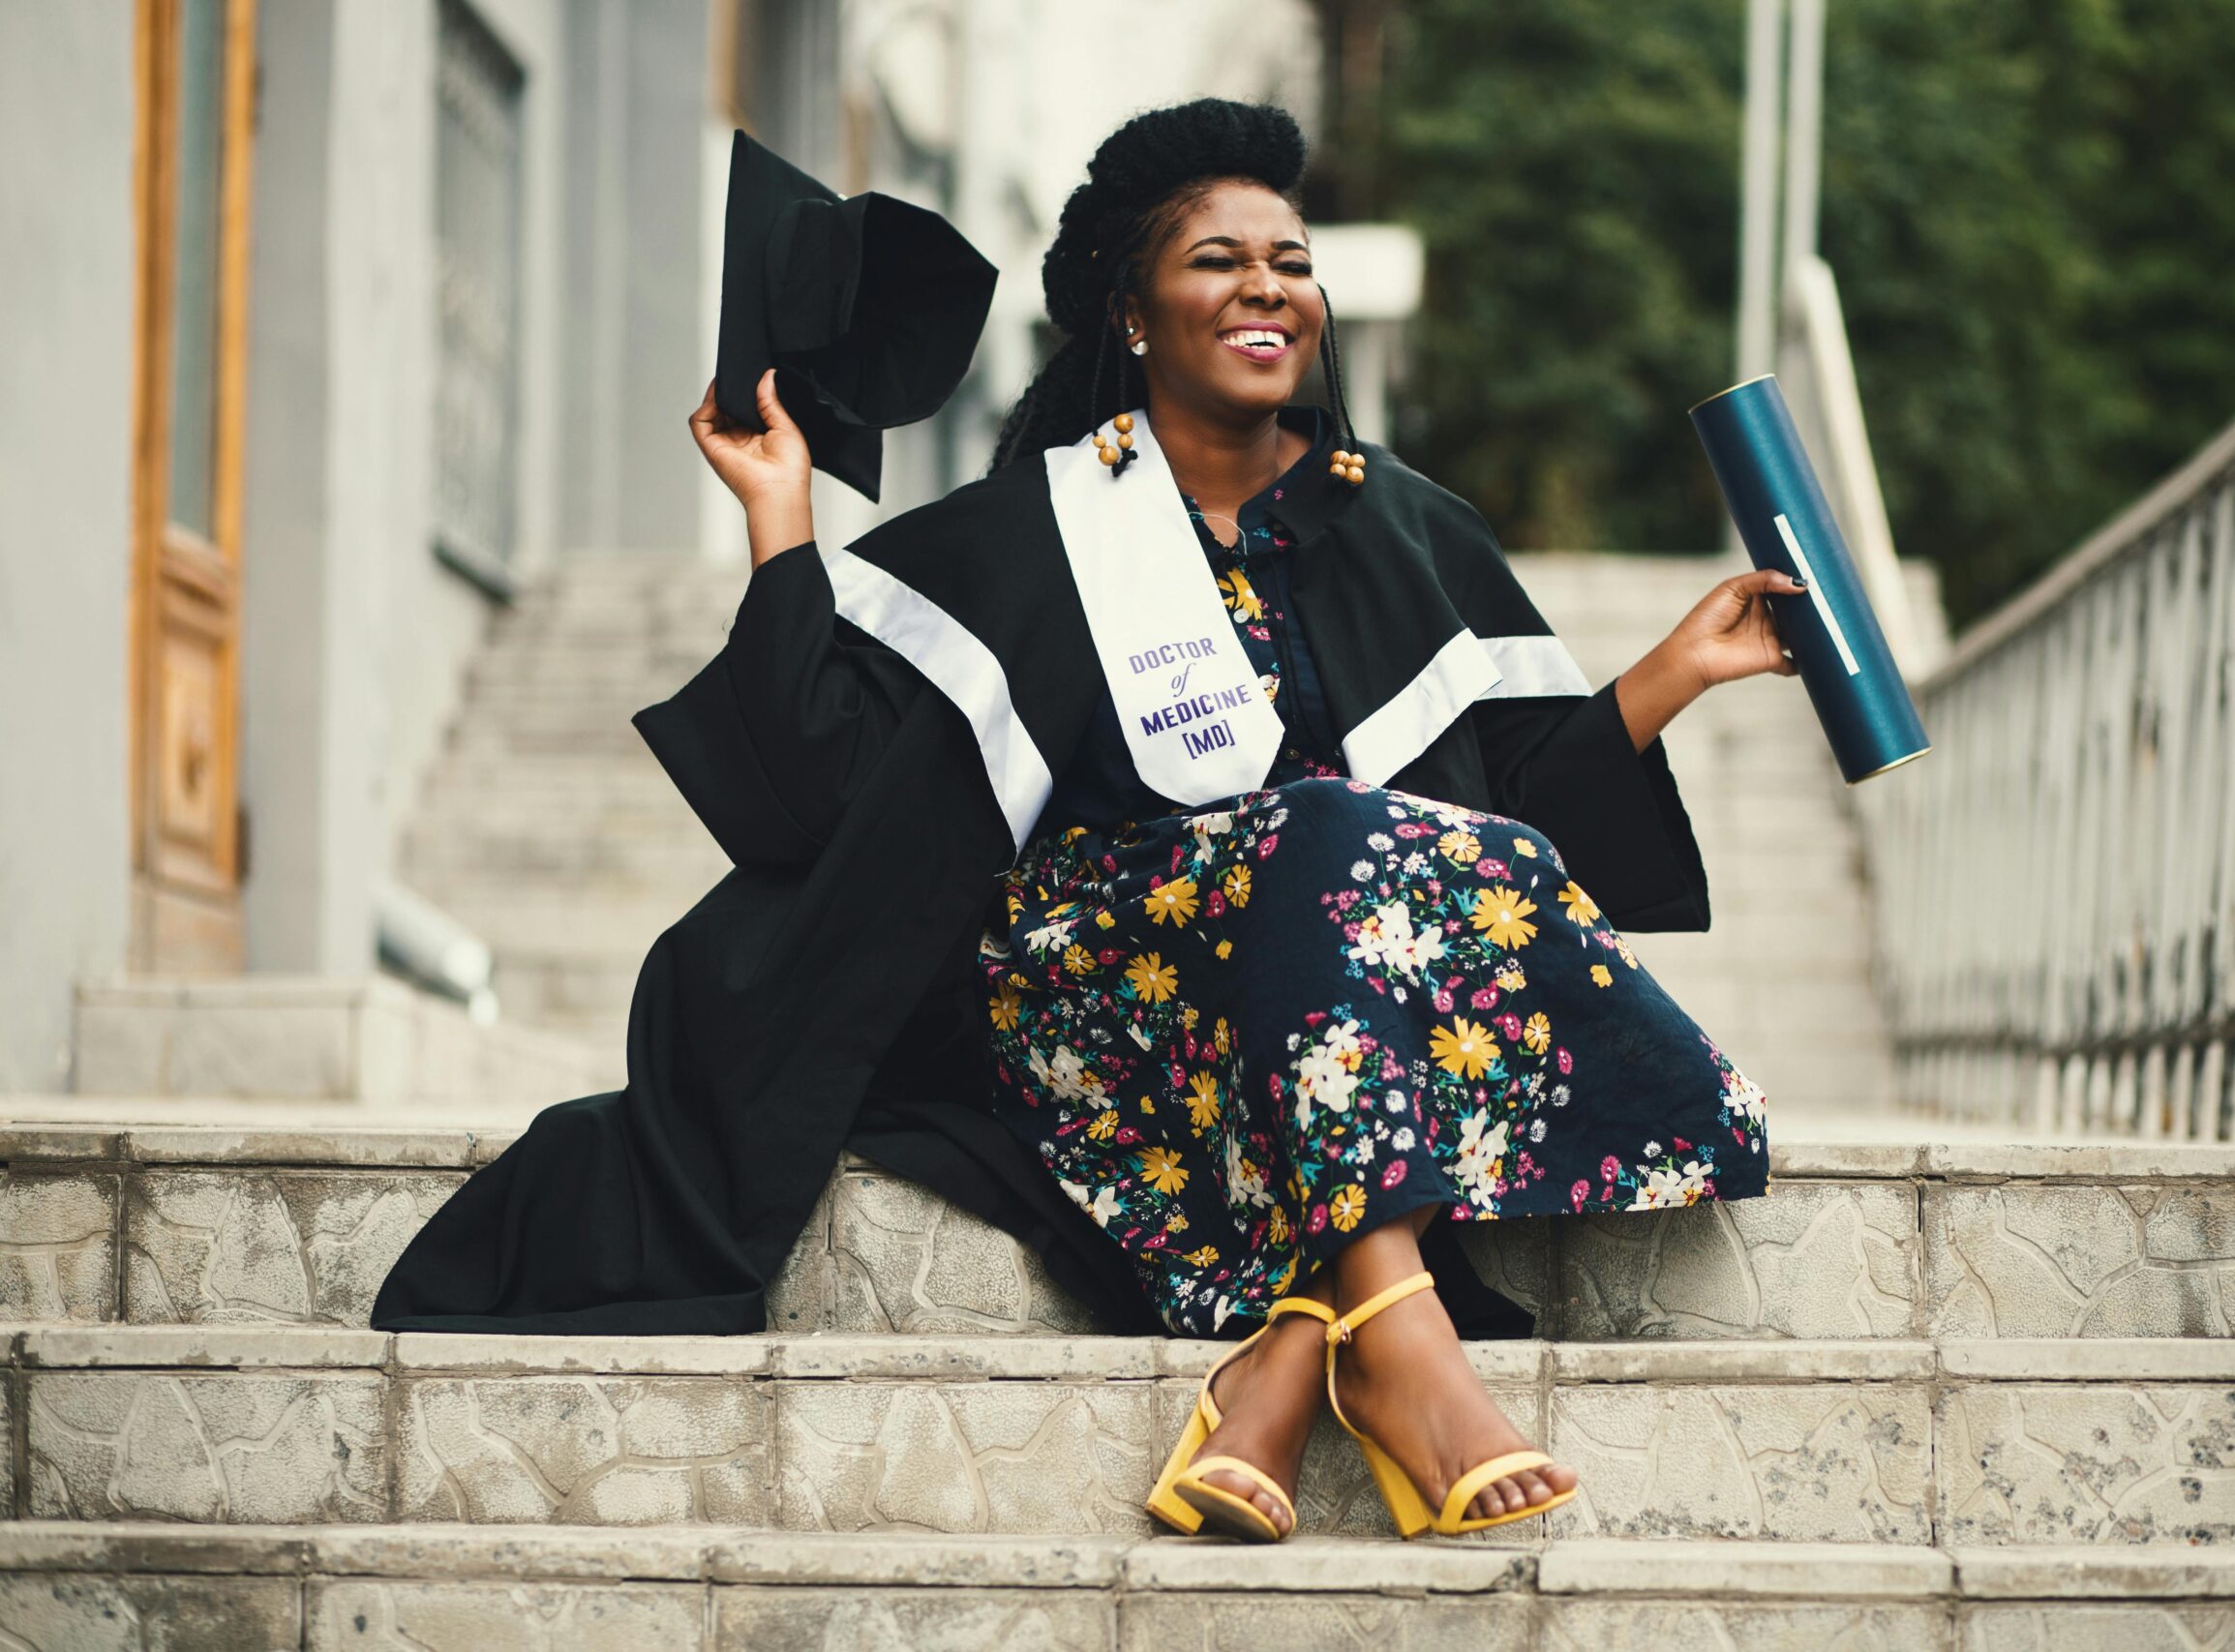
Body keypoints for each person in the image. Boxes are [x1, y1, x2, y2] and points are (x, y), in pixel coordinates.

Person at [374, 97, 1792, 1544]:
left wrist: (1675, 669)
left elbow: (1507, 843)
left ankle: (1303, 1348)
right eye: (1217, 260)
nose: (1268, 287)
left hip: (1319, 1013)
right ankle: (1406, 1351)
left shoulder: (1414, 530)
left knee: (1389, 859)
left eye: (1293, 262)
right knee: (1317, 836)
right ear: (1129, 310)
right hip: (1094, 1004)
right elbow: (814, 790)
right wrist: (780, 514)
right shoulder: (1029, 535)